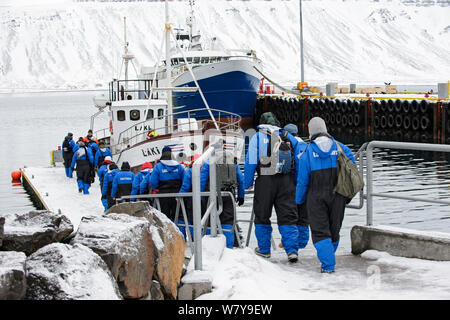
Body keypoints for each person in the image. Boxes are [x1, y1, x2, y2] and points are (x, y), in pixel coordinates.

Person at [296, 117, 356, 273]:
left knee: (320, 232)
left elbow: (302, 181)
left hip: (315, 196)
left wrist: (299, 200)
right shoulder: (341, 147)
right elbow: (353, 169)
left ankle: (328, 266)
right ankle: (329, 256)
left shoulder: (307, 152)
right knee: (334, 230)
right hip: (338, 195)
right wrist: (347, 195)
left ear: (311, 132)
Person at [244, 112, 300, 263]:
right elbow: (298, 160)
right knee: (288, 215)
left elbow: (250, 162)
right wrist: (295, 181)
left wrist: (247, 183)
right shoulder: (288, 136)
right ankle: (292, 251)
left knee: (262, 215)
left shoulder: (258, 137)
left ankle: (264, 250)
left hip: (265, 180)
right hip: (286, 181)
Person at [200, 149, 245, 249]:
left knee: (209, 220)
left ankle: (209, 247)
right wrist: (241, 196)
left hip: (211, 196)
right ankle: (228, 248)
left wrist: (200, 197)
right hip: (229, 195)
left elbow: (202, 181)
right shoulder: (232, 162)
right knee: (228, 221)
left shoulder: (209, 162)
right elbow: (241, 180)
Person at [284, 123, 310, 251]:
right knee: (303, 216)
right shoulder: (306, 146)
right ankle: (303, 242)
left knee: (290, 216)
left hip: (292, 185)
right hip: (306, 186)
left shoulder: (288, 146)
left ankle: (292, 243)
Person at [150, 146, 185, 221]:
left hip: (163, 196)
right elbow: (185, 181)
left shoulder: (158, 167)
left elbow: (153, 182)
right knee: (177, 216)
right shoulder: (179, 166)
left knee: (164, 217)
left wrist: (157, 188)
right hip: (177, 195)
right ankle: (179, 232)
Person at [177, 154, 200, 238]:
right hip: (204, 198)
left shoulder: (190, 171)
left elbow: (185, 186)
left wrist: (178, 197)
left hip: (191, 198)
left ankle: (190, 238)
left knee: (189, 218)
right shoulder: (206, 169)